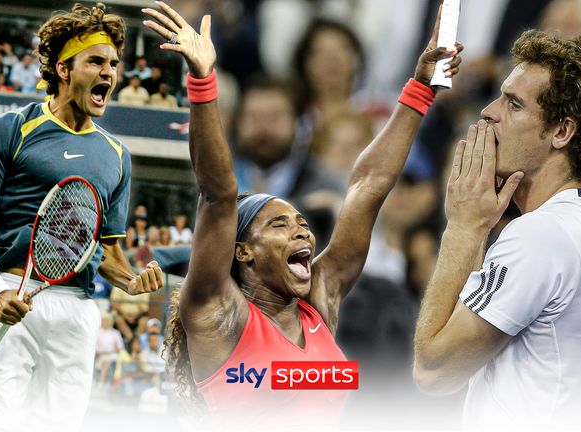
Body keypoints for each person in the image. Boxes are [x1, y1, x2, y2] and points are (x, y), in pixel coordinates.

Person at [142, 2, 461, 428]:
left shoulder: (319, 301)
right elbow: (219, 196)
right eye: (280, 225)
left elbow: (366, 187)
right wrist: (203, 81)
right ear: (242, 252)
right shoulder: (217, 311)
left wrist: (421, 87)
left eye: (303, 226)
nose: (303, 235)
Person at [0, 4, 164, 430]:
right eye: (96, 62)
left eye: (113, 64)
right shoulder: (9, 128)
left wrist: (133, 281)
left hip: (76, 310)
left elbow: (107, 252)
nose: (109, 73)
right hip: (12, 291)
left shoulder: (118, 156)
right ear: (64, 69)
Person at [412, 30, 581, 429]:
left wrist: (464, 229)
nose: (488, 112)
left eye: (513, 104)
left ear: (561, 132)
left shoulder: (540, 237)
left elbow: (434, 371)